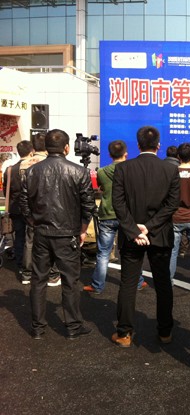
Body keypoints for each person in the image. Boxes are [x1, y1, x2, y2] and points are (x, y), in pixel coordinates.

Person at [20, 129, 96, 340]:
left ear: (46, 147)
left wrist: (33, 222)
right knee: (70, 281)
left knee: (39, 280)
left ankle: (37, 327)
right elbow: (89, 206)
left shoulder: (32, 171)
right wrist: (83, 230)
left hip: (42, 232)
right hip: (67, 234)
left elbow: (24, 203)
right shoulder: (78, 171)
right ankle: (73, 326)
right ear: (66, 147)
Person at [111, 126, 180, 347]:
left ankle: (124, 333)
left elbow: (118, 204)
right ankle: (165, 331)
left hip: (132, 235)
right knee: (163, 282)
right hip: (159, 234)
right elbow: (172, 205)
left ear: (138, 144)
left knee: (128, 283)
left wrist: (134, 230)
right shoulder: (170, 170)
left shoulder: (123, 168)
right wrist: (149, 227)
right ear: (158, 145)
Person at [83, 140, 148, 294]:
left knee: (103, 252)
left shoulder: (102, 171)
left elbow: (101, 187)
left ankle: (97, 285)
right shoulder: (133, 171)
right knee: (131, 251)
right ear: (126, 154)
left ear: (110, 154)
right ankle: (138, 281)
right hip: (127, 215)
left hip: (107, 214)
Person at [19, 132, 61, 287]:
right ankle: (52, 274)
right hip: (50, 209)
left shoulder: (23, 164)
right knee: (52, 243)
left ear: (33, 147)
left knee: (29, 242)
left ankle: (27, 273)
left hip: (31, 209)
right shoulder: (51, 163)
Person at [170, 142, 190, 292]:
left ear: (178, 156)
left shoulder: (171, 173)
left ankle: (168, 281)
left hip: (175, 217)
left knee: (172, 252)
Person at [3, 140, 33, 279]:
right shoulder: (34, 168)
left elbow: (6, 191)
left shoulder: (10, 170)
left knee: (19, 237)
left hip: (15, 208)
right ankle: (30, 265)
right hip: (31, 208)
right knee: (31, 238)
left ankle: (21, 265)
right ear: (31, 151)